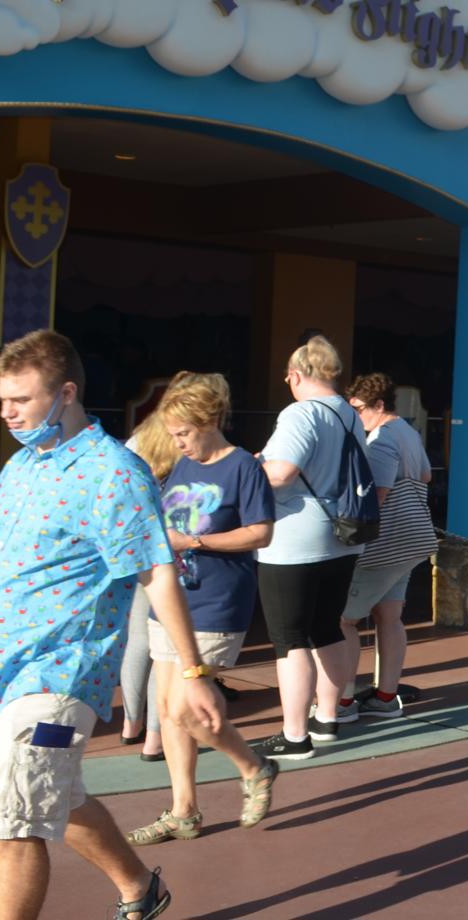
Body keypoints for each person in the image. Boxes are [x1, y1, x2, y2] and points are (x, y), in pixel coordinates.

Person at [0, 329, 222, 920]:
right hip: (5, 668)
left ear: (66, 393)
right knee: (57, 794)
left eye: (20, 400)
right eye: (3, 400)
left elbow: (156, 571)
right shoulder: (24, 466)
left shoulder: (113, 472)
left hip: (60, 672)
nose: (7, 413)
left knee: (15, 822)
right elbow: (19, 550)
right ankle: (139, 888)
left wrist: (193, 669)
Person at [125, 373, 279, 846]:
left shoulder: (243, 469)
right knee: (168, 713)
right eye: (173, 435)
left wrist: (194, 540)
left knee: (191, 710)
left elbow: (261, 533)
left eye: (184, 434)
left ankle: (253, 766)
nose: (178, 443)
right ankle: (183, 811)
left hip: (216, 603)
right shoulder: (180, 465)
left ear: (209, 422)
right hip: (171, 601)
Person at [253, 335, 366, 760]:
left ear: (297, 375)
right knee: (327, 627)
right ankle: (328, 717)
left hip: (295, 539)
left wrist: (248, 473)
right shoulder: (349, 414)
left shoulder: (300, 413)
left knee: (289, 639)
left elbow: (281, 473)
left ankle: (295, 735)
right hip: (342, 534)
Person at [336, 373, 441, 720]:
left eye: (359, 410)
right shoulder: (409, 432)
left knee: (344, 621)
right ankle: (385, 695)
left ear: (379, 406)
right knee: (390, 617)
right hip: (414, 538)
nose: (356, 417)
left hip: (386, 542)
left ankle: (343, 702)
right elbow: (426, 476)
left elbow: (375, 497)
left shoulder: (380, 439)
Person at [118, 411, 179, 762]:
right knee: (164, 647)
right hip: (175, 547)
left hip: (137, 543)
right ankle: (154, 739)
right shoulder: (193, 445)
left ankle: (130, 723)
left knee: (137, 638)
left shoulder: (138, 442)